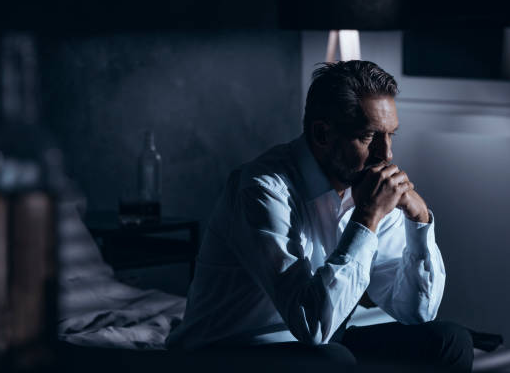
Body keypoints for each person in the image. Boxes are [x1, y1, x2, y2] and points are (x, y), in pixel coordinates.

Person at [166, 61, 473, 371]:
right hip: (229, 350)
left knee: (450, 341)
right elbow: (310, 325)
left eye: (391, 135)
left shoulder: (367, 184)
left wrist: (419, 221)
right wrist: (366, 218)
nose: (387, 154)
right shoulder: (262, 189)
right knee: (331, 360)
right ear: (322, 133)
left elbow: (416, 312)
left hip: (322, 343)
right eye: (369, 137)